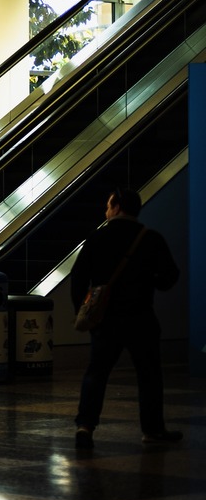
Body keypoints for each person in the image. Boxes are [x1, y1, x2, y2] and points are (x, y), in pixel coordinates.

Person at [69, 187, 181, 450]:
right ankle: (152, 429)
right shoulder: (150, 238)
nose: (105, 210)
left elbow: (78, 279)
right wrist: (148, 282)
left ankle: (85, 426)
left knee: (97, 373)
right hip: (141, 317)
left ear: (117, 206)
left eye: (108, 205)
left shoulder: (97, 237)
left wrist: (83, 311)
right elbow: (169, 276)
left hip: (105, 320)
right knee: (149, 374)